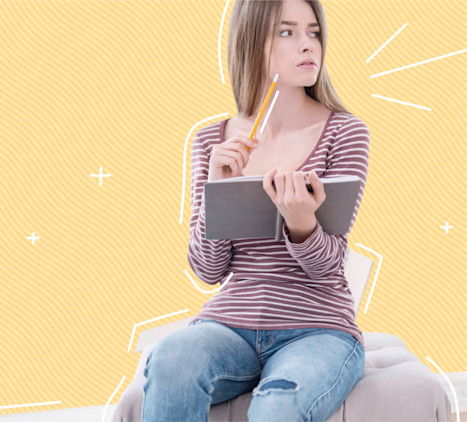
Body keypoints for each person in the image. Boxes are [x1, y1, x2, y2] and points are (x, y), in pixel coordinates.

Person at [142, 0, 369, 420]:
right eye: (287, 32)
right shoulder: (212, 140)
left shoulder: (344, 131)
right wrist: (218, 189)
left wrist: (302, 226)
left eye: (313, 32)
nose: (308, 46)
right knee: (174, 359)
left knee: (280, 403)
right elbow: (208, 271)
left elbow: (329, 268)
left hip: (318, 328)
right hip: (229, 325)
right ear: (252, 44)